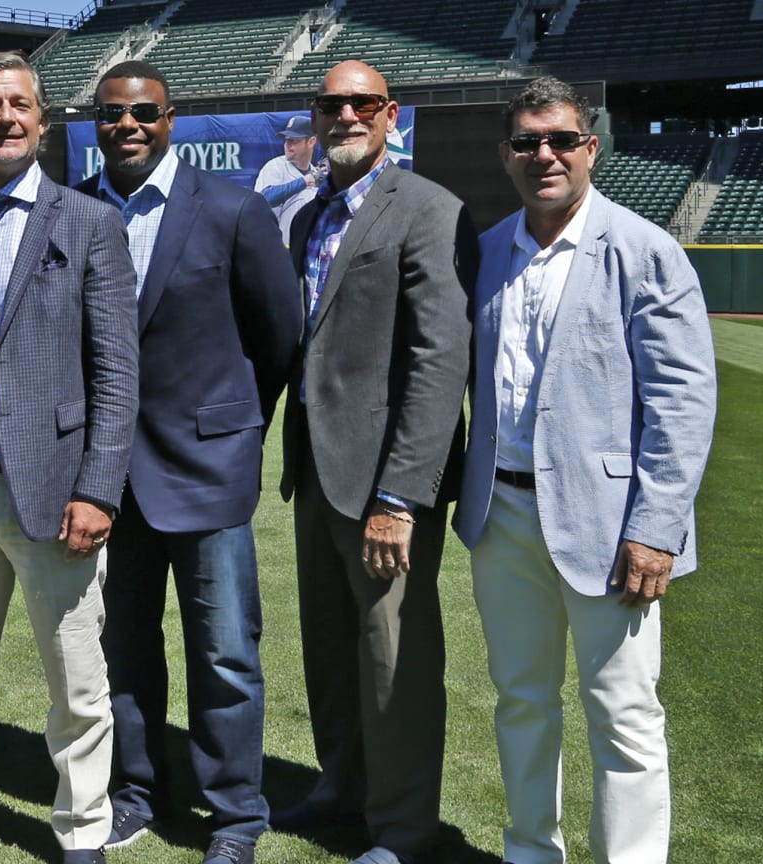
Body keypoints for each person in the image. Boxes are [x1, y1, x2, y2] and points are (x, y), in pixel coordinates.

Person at [454, 76, 716, 864]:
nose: (545, 155)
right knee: (522, 703)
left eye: (562, 139)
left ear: (590, 147)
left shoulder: (645, 249)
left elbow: (683, 402)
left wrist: (656, 530)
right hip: (501, 516)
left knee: (625, 713)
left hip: (614, 530)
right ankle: (532, 852)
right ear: (506, 153)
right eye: (528, 141)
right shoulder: (490, 249)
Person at [0, 50, 139, 864]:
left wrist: (99, 490)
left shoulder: (88, 222)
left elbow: (116, 372)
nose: (4, 117)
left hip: (53, 497)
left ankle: (83, 832)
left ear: (43, 121)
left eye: (19, 105)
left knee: (78, 686)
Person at [75, 61, 301, 864]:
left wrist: (236, 424)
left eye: (143, 113)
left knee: (226, 655)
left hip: (208, 470)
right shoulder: (77, 211)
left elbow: (279, 333)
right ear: (95, 123)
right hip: (110, 478)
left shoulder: (234, 210)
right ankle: (136, 795)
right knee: (125, 652)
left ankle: (236, 816)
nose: (127, 126)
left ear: (171, 120)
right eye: (111, 114)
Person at [273, 60, 476, 864]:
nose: (347, 114)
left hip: (386, 482)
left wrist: (403, 494)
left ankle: (401, 829)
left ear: (390, 114)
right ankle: (342, 787)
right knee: (329, 644)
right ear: (316, 118)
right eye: (332, 104)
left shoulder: (428, 209)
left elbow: (438, 361)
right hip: (318, 472)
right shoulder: (306, 216)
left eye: (363, 103)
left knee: (393, 653)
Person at [253, 114, 325, 245]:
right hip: (269, 248)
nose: (288, 145)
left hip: (299, 250)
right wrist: (304, 181)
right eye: (286, 140)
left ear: (311, 141)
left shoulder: (316, 175)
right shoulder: (275, 166)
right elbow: (265, 198)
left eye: (294, 140)